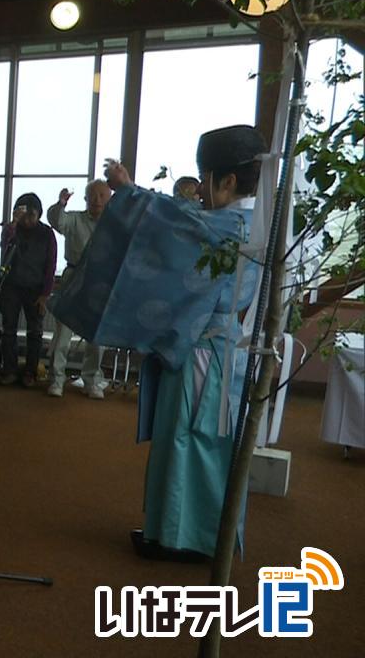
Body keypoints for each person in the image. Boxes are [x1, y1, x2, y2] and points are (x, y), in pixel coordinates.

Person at [50, 125, 264, 562]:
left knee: (191, 440)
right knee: (187, 439)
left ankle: (189, 538)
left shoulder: (232, 225)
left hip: (204, 352)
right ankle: (174, 529)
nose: (200, 189)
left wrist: (128, 191)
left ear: (228, 181)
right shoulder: (254, 223)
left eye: (206, 178)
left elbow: (171, 221)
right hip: (212, 347)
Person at [45, 180, 112, 398]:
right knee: (63, 333)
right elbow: (56, 220)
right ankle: (56, 379)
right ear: (85, 199)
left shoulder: (115, 225)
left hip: (100, 281)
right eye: (93, 195)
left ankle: (92, 381)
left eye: (102, 196)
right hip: (73, 277)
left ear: (110, 199)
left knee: (96, 336)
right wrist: (61, 203)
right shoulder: (75, 219)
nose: (97, 200)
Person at [0, 193, 56, 388]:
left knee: (35, 332)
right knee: (8, 330)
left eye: (32, 215)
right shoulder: (12, 230)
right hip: (11, 286)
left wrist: (45, 294)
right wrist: (13, 223)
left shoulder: (47, 233)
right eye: (24, 215)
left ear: (39, 214)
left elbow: (51, 265)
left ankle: (30, 372)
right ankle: (10, 370)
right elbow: (4, 246)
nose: (27, 220)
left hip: (36, 289)